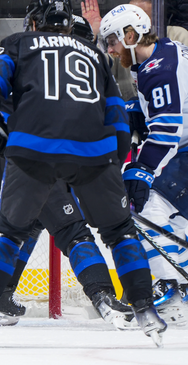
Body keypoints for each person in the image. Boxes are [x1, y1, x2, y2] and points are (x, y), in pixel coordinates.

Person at [0, 0, 165, 347]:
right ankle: (144, 309)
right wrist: (113, 166)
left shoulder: (17, 43)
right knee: (118, 231)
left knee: (12, 230)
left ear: (33, 25)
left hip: (29, 150)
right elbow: (117, 117)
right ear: (71, 30)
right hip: (93, 154)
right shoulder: (96, 54)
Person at [101, 4, 188, 325]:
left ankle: (171, 290)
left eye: (112, 41)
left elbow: (166, 129)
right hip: (183, 150)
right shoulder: (161, 53)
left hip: (183, 151)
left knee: (141, 208)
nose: (110, 50)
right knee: (175, 224)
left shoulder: (158, 70)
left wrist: (142, 171)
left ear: (131, 34)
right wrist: (134, 113)